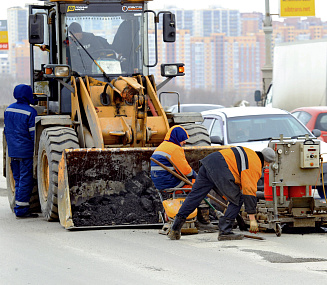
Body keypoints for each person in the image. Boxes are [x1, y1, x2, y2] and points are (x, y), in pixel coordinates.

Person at [168, 146, 276, 241]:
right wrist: (252, 219)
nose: (266, 167)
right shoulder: (255, 164)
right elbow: (249, 191)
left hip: (208, 164)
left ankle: (175, 229)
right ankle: (225, 231)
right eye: (267, 165)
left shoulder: (249, 153)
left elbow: (237, 179)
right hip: (220, 169)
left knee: (195, 197)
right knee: (237, 199)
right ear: (267, 162)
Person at [150, 125, 217, 232]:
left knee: (196, 185)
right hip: (171, 183)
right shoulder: (175, 149)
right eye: (182, 140)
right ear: (177, 138)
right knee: (202, 186)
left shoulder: (162, 146)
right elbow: (186, 171)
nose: (184, 142)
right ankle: (203, 220)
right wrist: (198, 176)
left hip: (161, 183)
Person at [4, 84, 38, 218]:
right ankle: (21, 210)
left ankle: (18, 206)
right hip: (25, 153)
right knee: (25, 180)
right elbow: (33, 135)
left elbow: (7, 131)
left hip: (13, 152)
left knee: (18, 179)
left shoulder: (8, 109)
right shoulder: (30, 111)